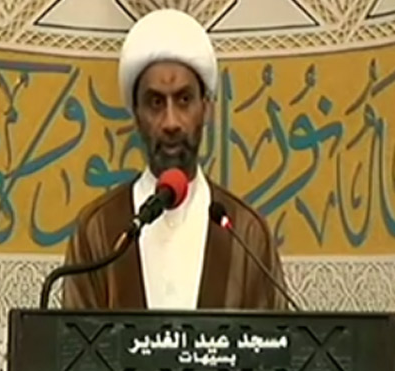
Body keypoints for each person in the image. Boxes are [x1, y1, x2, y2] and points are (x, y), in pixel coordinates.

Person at [62, 8, 287, 311]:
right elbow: (72, 338)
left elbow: (276, 338)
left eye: (183, 100)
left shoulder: (246, 232)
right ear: (136, 115)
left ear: (206, 109)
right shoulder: (98, 229)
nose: (171, 122)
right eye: (155, 102)